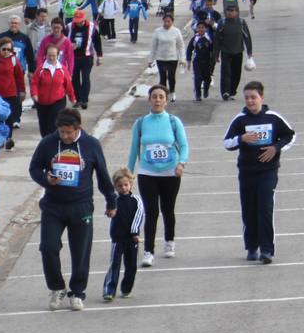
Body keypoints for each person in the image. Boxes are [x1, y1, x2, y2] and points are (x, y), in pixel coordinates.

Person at [28, 108, 117, 312]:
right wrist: (46, 180)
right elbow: (34, 168)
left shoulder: (91, 145)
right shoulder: (48, 143)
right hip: (53, 205)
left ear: (78, 128)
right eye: (62, 132)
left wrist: (111, 201)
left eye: (69, 132)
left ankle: (77, 292)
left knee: (80, 252)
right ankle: (57, 287)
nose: (66, 136)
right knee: (48, 247)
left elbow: (103, 175)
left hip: (81, 205)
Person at [223, 82, 296, 263]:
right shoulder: (240, 120)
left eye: (253, 97)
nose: (250, 101)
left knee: (265, 209)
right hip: (247, 172)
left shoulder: (273, 118)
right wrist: (242, 138)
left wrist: (276, 148)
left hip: (268, 172)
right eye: (247, 97)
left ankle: (266, 250)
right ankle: (252, 247)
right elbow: (227, 142)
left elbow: (290, 135)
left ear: (261, 98)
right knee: (249, 210)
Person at [127, 86, 189, 266]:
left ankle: (169, 241)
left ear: (166, 100)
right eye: (154, 97)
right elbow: (133, 150)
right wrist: (129, 172)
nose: (157, 100)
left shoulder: (173, 121)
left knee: (168, 210)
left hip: (171, 172)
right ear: (149, 100)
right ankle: (148, 251)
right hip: (148, 173)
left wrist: (181, 163)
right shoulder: (140, 123)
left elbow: (184, 145)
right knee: (151, 212)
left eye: (161, 97)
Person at [102, 170, 144, 303]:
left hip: (132, 238)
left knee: (131, 265)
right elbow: (110, 213)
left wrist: (135, 233)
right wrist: (109, 212)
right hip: (117, 237)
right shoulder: (114, 199)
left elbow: (138, 217)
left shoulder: (136, 200)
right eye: (120, 186)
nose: (123, 188)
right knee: (114, 264)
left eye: (126, 185)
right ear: (115, 186)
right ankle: (109, 290)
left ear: (130, 184)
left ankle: (126, 288)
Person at [29, 40, 75, 138]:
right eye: (49, 55)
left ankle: (53, 142)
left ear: (58, 55)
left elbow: (68, 85)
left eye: (54, 55)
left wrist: (72, 97)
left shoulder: (62, 69)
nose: (51, 57)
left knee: (53, 125)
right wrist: (34, 94)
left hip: (58, 101)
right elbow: (34, 83)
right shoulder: (40, 69)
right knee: (43, 126)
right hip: (42, 102)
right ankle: (45, 142)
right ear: (45, 55)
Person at [215, 5, 253, 101]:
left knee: (236, 73)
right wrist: (216, 54)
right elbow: (217, 39)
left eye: (232, 11)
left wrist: (249, 53)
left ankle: (232, 91)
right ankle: (225, 92)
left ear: (237, 12)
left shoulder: (241, 23)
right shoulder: (222, 23)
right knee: (226, 72)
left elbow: (247, 37)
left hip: (238, 51)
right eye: (228, 11)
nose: (230, 13)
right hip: (225, 51)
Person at [67, 10, 103, 110]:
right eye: (76, 21)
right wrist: (69, 47)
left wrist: (99, 56)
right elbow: (64, 41)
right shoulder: (69, 27)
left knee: (85, 77)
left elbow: (97, 42)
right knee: (74, 79)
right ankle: (77, 99)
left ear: (84, 19)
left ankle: (84, 99)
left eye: (80, 21)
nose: (78, 23)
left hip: (87, 57)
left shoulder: (91, 27)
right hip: (73, 58)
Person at [149, 13, 186, 102]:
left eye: (168, 22)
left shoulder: (176, 31)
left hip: (172, 58)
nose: (166, 23)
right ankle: (163, 95)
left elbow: (181, 46)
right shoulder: (158, 31)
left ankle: (172, 92)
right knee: (162, 78)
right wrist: (151, 59)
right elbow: (153, 46)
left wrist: (182, 59)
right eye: (165, 21)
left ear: (172, 22)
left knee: (171, 77)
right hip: (160, 58)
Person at [187, 19, 217, 102]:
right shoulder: (195, 39)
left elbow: (213, 49)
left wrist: (215, 58)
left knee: (207, 79)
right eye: (199, 28)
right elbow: (189, 50)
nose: (200, 29)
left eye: (202, 27)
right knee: (197, 78)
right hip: (197, 61)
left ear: (206, 29)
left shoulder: (209, 38)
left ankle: (206, 90)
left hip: (207, 62)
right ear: (196, 29)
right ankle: (198, 95)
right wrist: (188, 61)